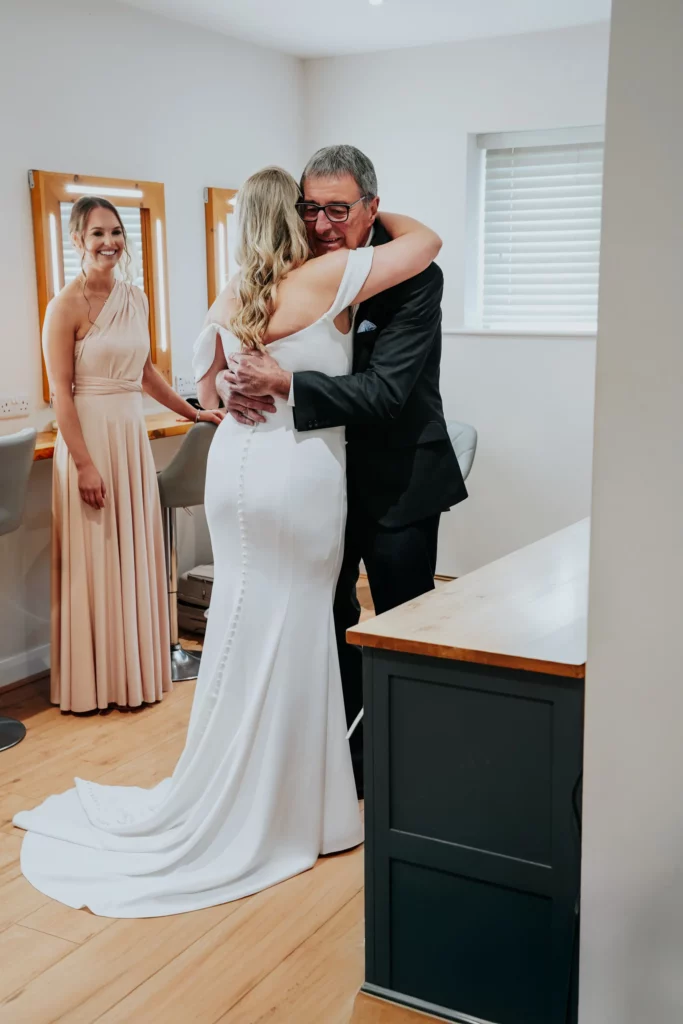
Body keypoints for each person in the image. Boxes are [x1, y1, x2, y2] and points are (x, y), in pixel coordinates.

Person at [13, 167, 441, 917]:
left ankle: (240, 781)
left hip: (234, 468)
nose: (326, 223)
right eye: (314, 210)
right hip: (297, 474)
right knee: (299, 628)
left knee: (244, 625)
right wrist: (373, 215)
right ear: (298, 219)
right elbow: (426, 242)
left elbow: (208, 390)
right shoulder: (331, 277)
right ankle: (301, 805)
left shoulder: (236, 291)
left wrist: (243, 382)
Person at [220, 146, 468, 795]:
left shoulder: (414, 277)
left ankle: (408, 769)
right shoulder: (297, 267)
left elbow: (385, 394)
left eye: (339, 210)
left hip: (400, 478)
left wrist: (285, 384)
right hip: (317, 483)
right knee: (324, 618)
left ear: (372, 207)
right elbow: (240, 338)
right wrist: (229, 383)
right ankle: (339, 760)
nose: (322, 225)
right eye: (311, 209)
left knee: (400, 625)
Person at [42, 197, 224, 713]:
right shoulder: (63, 307)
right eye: (97, 234)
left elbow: (145, 374)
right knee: (98, 557)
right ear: (77, 241)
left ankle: (133, 674)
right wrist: (83, 465)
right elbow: (60, 395)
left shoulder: (136, 299)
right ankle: (94, 684)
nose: (109, 243)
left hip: (129, 439)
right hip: (90, 440)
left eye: (116, 232)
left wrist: (193, 413)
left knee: (133, 555)